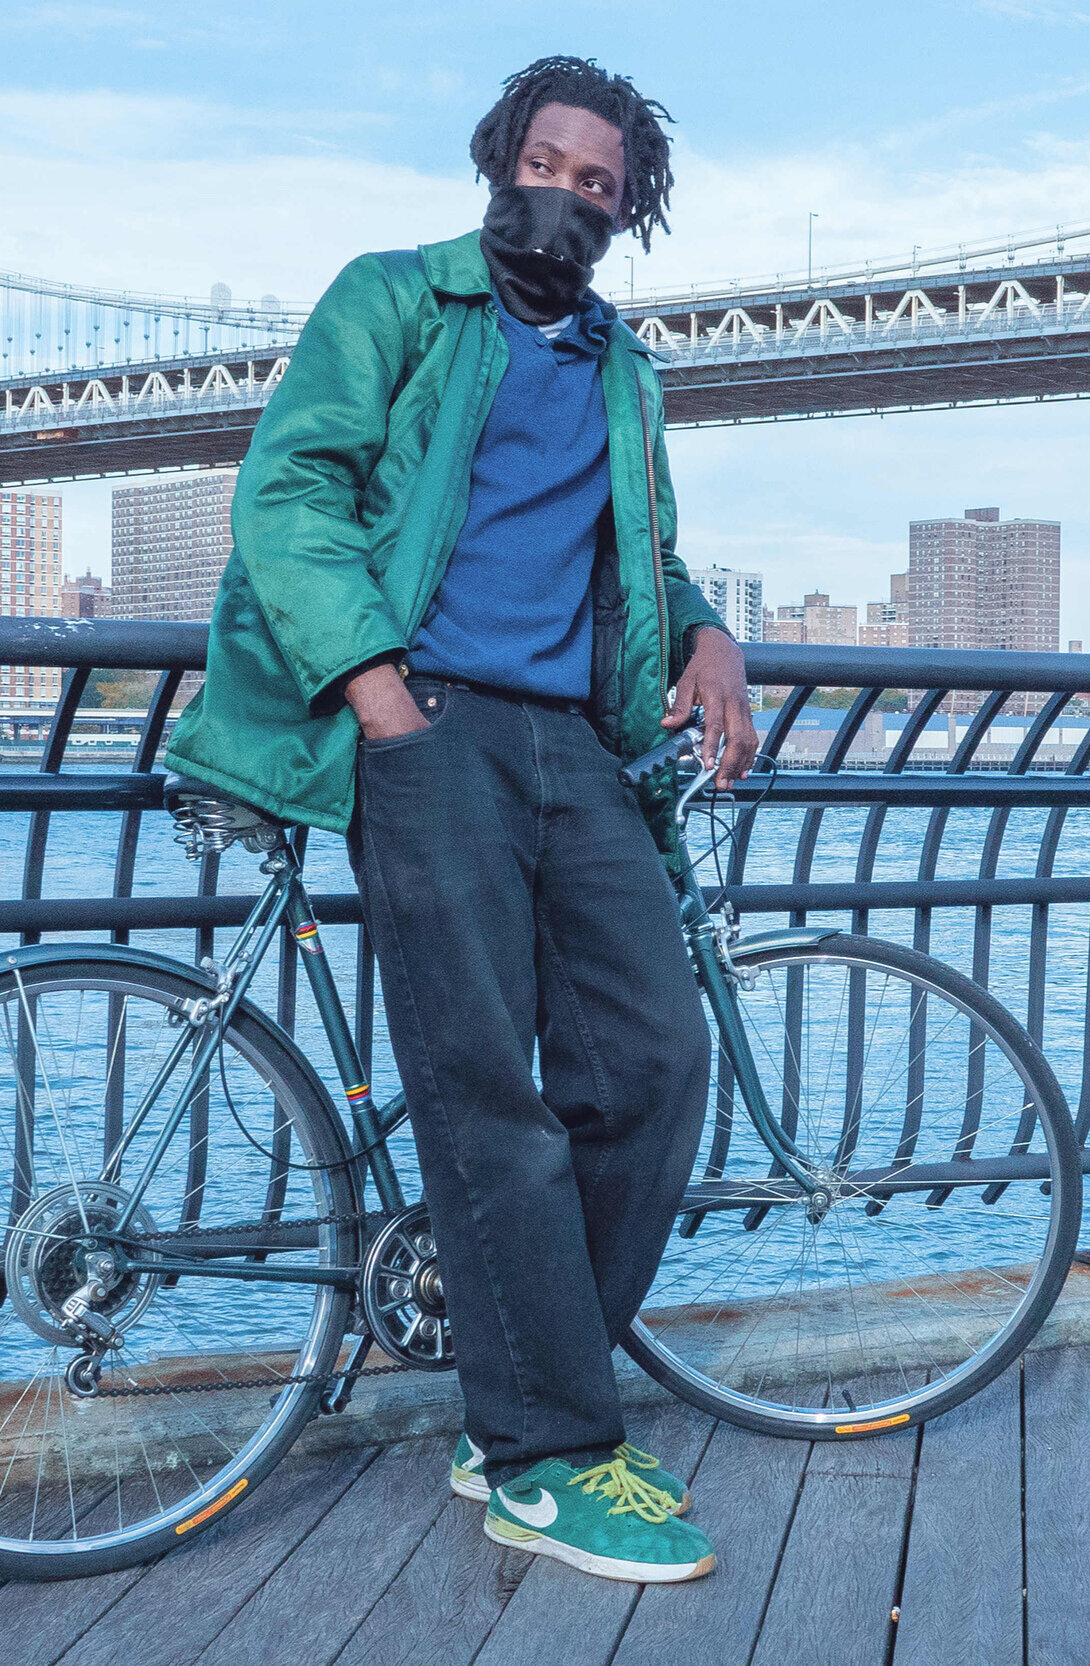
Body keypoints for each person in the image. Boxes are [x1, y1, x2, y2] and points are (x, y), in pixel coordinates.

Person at [166, 54, 757, 1584]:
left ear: (625, 217)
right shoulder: (388, 301)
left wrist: (708, 634)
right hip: (422, 725)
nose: (559, 196)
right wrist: (380, 705)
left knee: (656, 1059)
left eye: (595, 186)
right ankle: (548, 1457)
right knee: (484, 1085)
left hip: (577, 745)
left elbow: (647, 559)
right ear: (495, 159)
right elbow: (291, 494)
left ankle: (507, 1400)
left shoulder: (625, 369)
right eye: (541, 164)